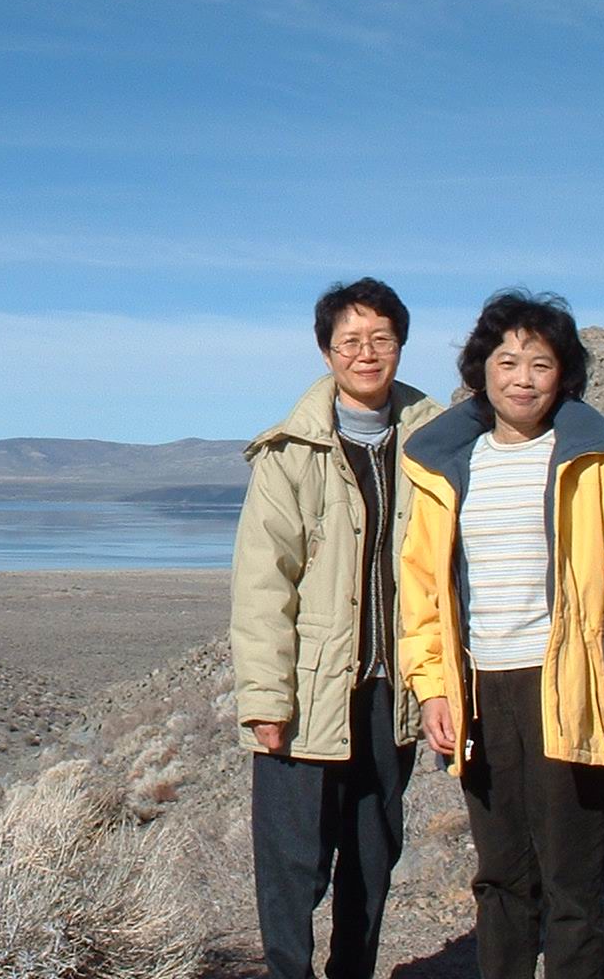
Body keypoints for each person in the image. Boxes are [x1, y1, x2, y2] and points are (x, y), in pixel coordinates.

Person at [398, 290, 604, 979]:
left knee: (573, 881)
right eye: (508, 361)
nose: (522, 379)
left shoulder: (601, 464)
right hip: (480, 693)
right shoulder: (448, 470)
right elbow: (424, 593)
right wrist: (433, 689)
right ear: (482, 369)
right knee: (500, 876)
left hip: (572, 691)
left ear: (564, 376)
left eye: (541, 364)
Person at [230, 277, 443, 979]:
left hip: (392, 691)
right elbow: (263, 585)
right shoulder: (290, 454)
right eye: (350, 340)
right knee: (293, 866)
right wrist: (266, 698)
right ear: (326, 352)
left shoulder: (437, 445)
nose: (366, 353)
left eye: (381, 338)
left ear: (401, 345)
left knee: (373, 856)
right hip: (308, 691)